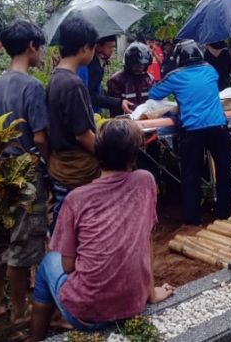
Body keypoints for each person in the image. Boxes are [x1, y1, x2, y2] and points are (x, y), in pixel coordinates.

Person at [28, 119, 175, 341]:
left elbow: (67, 267)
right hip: (134, 302)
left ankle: (36, 337)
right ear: (133, 157)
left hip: (87, 315)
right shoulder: (145, 182)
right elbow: (146, 239)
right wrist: (151, 294)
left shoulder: (76, 199)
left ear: (96, 153)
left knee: (48, 263)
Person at [0, 20, 49, 326]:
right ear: (30, 47)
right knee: (24, 242)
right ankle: (19, 312)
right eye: (39, 47)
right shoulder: (33, 86)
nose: (41, 53)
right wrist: (48, 162)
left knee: (1, 238)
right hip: (26, 169)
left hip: (1, 170)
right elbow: (39, 137)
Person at [149, 40, 231, 225]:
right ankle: (224, 213)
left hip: (193, 130)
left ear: (180, 58)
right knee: (223, 171)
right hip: (219, 127)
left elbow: (154, 94)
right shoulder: (211, 70)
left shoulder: (175, 76)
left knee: (190, 175)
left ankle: (193, 218)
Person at [46, 17, 101, 232]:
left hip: (61, 165)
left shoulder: (56, 78)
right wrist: (107, 154)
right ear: (85, 48)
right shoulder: (72, 84)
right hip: (75, 170)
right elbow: (83, 135)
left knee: (64, 222)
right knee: (69, 227)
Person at [83, 35, 135, 114]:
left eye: (113, 47)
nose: (112, 50)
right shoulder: (93, 66)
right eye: (109, 47)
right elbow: (90, 96)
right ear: (98, 47)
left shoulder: (99, 62)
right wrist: (118, 102)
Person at [106, 42, 154, 116]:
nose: (140, 67)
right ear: (129, 63)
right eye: (136, 64)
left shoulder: (149, 79)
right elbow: (114, 108)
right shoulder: (116, 80)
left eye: (143, 65)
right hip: (125, 121)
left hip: (147, 119)